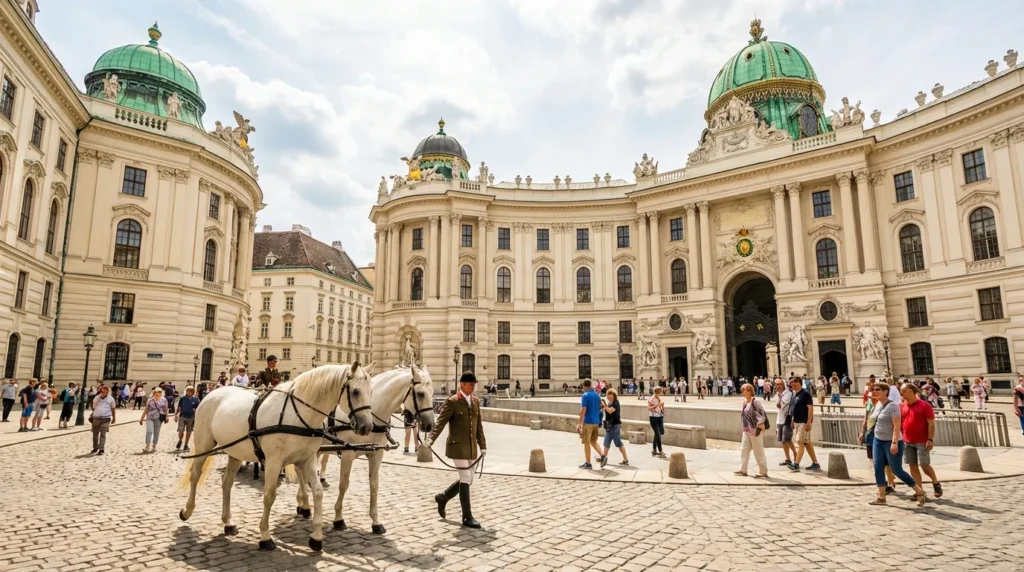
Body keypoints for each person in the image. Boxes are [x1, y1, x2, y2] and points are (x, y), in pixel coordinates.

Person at [425, 371, 487, 529]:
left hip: (471, 446)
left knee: (469, 479)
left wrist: (483, 445)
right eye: (470, 384)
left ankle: (443, 497)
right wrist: (431, 438)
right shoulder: (452, 401)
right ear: (462, 384)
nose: (473, 386)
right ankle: (467, 517)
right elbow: (441, 422)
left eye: (474, 384)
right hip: (457, 446)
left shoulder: (475, 401)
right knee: (465, 477)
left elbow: (478, 425)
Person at [868, 382, 926, 506]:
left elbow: (896, 425)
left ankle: (919, 490)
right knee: (878, 468)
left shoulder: (893, 406)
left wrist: (894, 442)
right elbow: (873, 421)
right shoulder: (878, 404)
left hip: (891, 441)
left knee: (897, 470)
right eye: (873, 389)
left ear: (885, 392)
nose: (874, 391)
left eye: (877, 389)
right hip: (878, 440)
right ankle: (881, 497)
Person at [900, 383, 942, 499]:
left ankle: (935, 482)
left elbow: (931, 424)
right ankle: (920, 491)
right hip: (907, 440)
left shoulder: (925, 406)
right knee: (912, 465)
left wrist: (930, 439)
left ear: (912, 391)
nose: (901, 393)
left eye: (904, 391)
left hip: (922, 440)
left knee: (924, 465)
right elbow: (901, 423)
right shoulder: (901, 406)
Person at [787, 377, 821, 472]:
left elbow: (810, 408)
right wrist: (792, 420)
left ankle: (796, 464)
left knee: (799, 442)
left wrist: (809, 422)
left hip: (803, 422)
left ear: (799, 383)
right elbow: (793, 409)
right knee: (806, 443)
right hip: (797, 422)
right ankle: (815, 463)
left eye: (794, 384)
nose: (792, 386)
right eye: (791, 384)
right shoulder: (794, 394)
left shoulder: (805, 394)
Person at [735, 383, 768, 478]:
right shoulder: (745, 402)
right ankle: (743, 469)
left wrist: (759, 424)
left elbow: (761, 415)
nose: (742, 391)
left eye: (744, 389)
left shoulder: (755, 402)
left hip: (755, 430)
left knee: (758, 451)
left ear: (749, 391)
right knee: (744, 449)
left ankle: (763, 471)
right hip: (746, 429)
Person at [575, 379, 606, 469]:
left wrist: (579, 423)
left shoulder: (585, 395)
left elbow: (583, 409)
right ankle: (603, 456)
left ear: (584, 386)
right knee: (593, 441)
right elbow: (602, 406)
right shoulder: (597, 395)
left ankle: (588, 463)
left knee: (586, 443)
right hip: (596, 422)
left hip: (588, 421)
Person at [599, 388, 629, 466]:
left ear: (614, 395)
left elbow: (610, 411)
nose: (608, 397)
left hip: (615, 426)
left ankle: (625, 459)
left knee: (618, 442)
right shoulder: (610, 403)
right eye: (607, 395)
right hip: (610, 426)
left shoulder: (615, 403)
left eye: (610, 395)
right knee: (606, 442)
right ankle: (604, 458)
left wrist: (604, 405)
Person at [139, 387, 168, 453]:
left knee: (156, 432)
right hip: (150, 417)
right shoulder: (150, 400)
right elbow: (146, 409)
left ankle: (154, 445)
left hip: (158, 418)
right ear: (154, 393)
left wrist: (167, 416)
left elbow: (165, 409)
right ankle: (147, 445)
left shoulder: (164, 400)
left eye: (159, 394)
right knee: (149, 431)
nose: (157, 395)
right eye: (156, 394)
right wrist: (141, 418)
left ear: (161, 394)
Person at [775, 378, 795, 468]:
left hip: (787, 419)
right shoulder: (777, 394)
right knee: (782, 441)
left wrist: (779, 400)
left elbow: (780, 405)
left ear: (783, 384)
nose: (778, 386)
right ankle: (787, 458)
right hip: (779, 419)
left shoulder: (788, 394)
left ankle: (795, 454)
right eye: (776, 384)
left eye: (780, 384)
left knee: (787, 439)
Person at [90, 385, 117, 455]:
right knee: (95, 434)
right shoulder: (97, 397)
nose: (104, 393)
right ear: (100, 391)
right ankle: (95, 447)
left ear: (108, 392)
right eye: (102, 391)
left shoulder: (111, 399)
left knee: (103, 433)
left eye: (105, 392)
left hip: (106, 418)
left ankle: (101, 448)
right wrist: (99, 397)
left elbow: (113, 408)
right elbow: (94, 406)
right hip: (96, 418)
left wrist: (114, 418)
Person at [174, 386, 200, 452]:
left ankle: (186, 445)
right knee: (181, 430)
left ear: (193, 392)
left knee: (189, 432)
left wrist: (196, 412)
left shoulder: (196, 399)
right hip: (182, 416)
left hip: (191, 417)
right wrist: (176, 415)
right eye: (187, 391)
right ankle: (180, 440)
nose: (188, 392)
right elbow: (179, 407)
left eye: (190, 391)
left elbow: (199, 408)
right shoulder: (182, 398)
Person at [648, 386, 666, 458]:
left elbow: (660, 407)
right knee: (658, 434)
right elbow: (649, 408)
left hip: (659, 417)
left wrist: (662, 406)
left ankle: (654, 449)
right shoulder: (651, 399)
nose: (660, 393)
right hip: (653, 418)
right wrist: (659, 404)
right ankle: (660, 451)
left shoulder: (658, 398)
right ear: (656, 392)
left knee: (661, 432)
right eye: (660, 392)